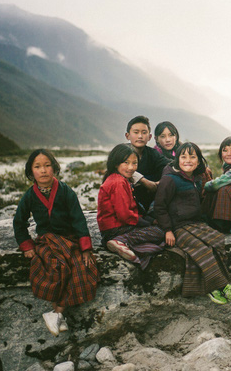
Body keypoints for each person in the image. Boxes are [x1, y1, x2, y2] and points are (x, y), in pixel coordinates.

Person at [13, 149, 98, 336]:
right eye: (37, 167)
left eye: (47, 165)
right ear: (30, 172)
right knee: (54, 266)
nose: (43, 170)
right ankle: (58, 315)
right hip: (47, 241)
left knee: (81, 266)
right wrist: (27, 246)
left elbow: (78, 219)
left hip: (69, 239)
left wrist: (85, 248)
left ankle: (56, 313)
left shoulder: (66, 191)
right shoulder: (29, 196)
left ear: (54, 168)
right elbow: (19, 222)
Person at [154, 142, 231, 305]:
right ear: (177, 160)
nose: (188, 160)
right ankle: (221, 287)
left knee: (217, 239)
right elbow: (159, 207)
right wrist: (167, 230)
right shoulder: (169, 179)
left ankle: (212, 284)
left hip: (195, 223)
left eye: (192, 156)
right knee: (201, 249)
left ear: (198, 161)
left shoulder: (196, 178)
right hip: (178, 226)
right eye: (183, 157)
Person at [98, 144, 166, 269]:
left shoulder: (118, 179)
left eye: (134, 163)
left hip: (112, 228)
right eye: (126, 162)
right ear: (115, 163)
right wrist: (147, 224)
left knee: (156, 230)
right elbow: (125, 215)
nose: (131, 167)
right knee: (159, 232)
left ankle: (121, 243)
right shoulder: (118, 182)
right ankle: (122, 240)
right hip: (116, 229)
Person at [125, 116, 171, 215]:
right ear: (127, 135)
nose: (140, 136)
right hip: (127, 201)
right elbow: (116, 168)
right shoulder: (121, 151)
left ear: (149, 137)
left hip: (150, 201)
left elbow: (169, 165)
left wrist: (160, 182)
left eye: (144, 132)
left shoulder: (152, 154)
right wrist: (143, 181)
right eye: (136, 132)